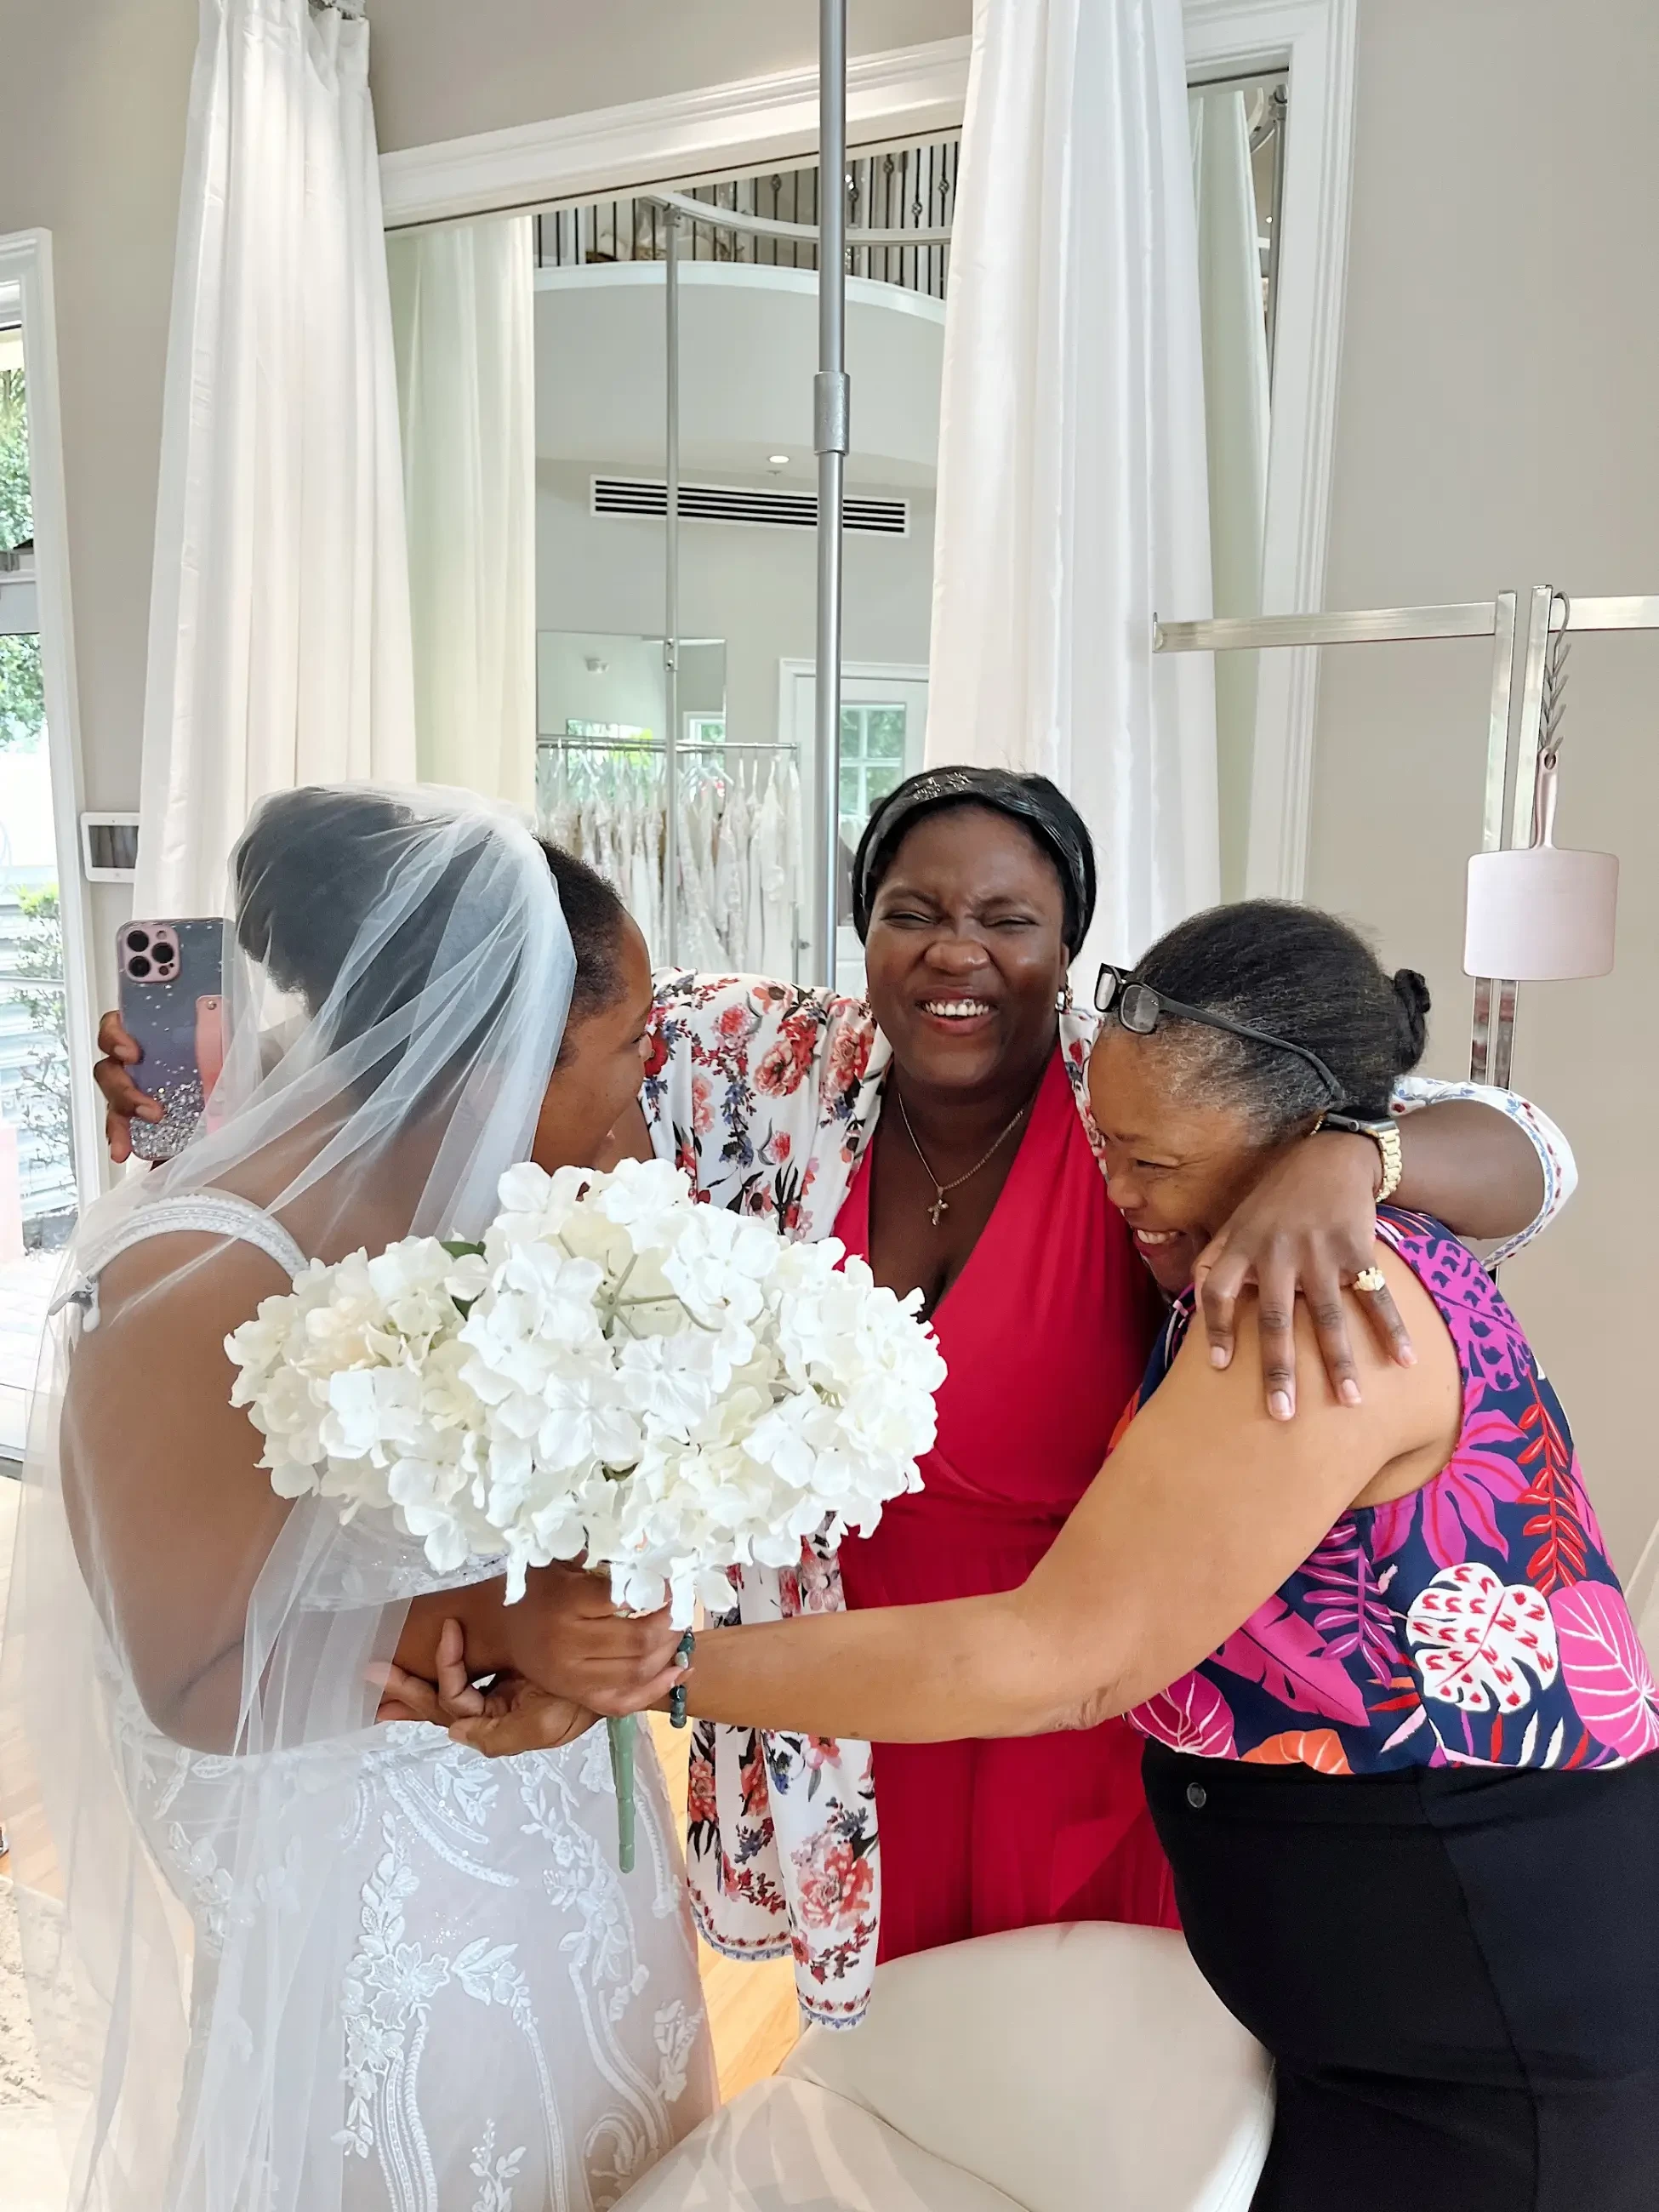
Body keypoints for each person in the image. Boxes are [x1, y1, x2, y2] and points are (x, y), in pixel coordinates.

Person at [94, 769, 1574, 2015]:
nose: (956, 954)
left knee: (1100, 2037)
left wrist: (1349, 1150)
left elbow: (1523, 1149)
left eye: (1010, 920)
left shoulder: (1131, 1099)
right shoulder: (762, 1061)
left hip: (1077, 1663)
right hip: (824, 1676)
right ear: (859, 929)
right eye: (912, 912)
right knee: (894, 2049)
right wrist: (218, 1102)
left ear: (1070, 948)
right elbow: (466, 1041)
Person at [452, 898, 1659, 2212]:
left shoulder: (1307, 1313)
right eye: (1108, 1147)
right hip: (1411, 1985)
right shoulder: (1315, 1236)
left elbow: (1056, 1659)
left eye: (1151, 1160)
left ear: (1300, 1131)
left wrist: (656, 1671)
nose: (1118, 1189)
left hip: (1477, 2002)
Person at [1, 789, 712, 2212]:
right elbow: (190, 1677)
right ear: (478, 1051)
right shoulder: (195, 1276)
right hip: (381, 1899)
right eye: (624, 1051)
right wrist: (505, 1626)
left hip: (558, 1825)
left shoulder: (507, 1194)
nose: (645, 1101)